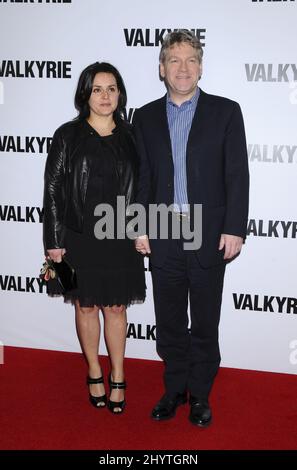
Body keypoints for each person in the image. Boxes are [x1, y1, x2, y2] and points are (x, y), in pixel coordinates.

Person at [134, 30, 249, 426]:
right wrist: (138, 226)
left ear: (200, 66)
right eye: (174, 60)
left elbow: (237, 174)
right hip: (163, 233)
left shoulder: (226, 111)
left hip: (208, 233)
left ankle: (200, 394)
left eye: (190, 60)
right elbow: (142, 176)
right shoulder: (144, 116)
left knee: (203, 320)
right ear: (161, 68)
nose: (182, 68)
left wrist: (234, 227)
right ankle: (173, 390)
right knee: (167, 321)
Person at [43, 62, 146, 414]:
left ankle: (118, 373)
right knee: (85, 305)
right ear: (85, 93)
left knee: (116, 307)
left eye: (112, 88)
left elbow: (143, 187)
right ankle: (93, 370)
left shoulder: (133, 134)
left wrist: (142, 228)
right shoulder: (66, 135)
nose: (105, 96)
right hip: (77, 237)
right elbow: (53, 190)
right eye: (97, 89)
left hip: (120, 236)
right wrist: (54, 241)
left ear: (120, 94)